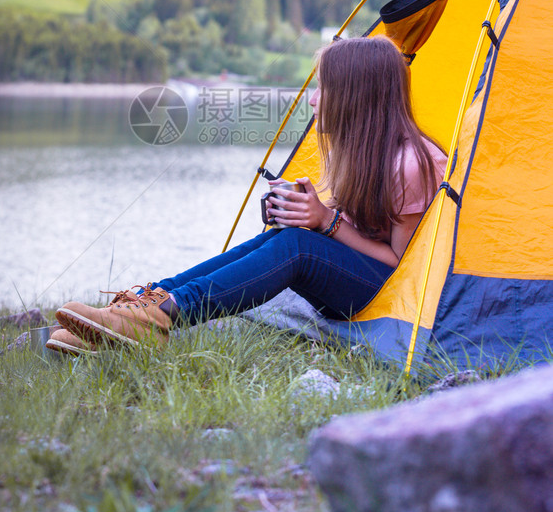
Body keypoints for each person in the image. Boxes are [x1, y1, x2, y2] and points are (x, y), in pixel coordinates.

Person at [47, 36, 447, 356]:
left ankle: (160, 316)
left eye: (323, 88)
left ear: (354, 96)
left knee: (296, 245)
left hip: (388, 296)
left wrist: (327, 222)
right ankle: (139, 306)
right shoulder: (363, 149)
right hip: (359, 277)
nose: (312, 99)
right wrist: (311, 213)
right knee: (280, 237)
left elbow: (402, 268)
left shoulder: (412, 163)